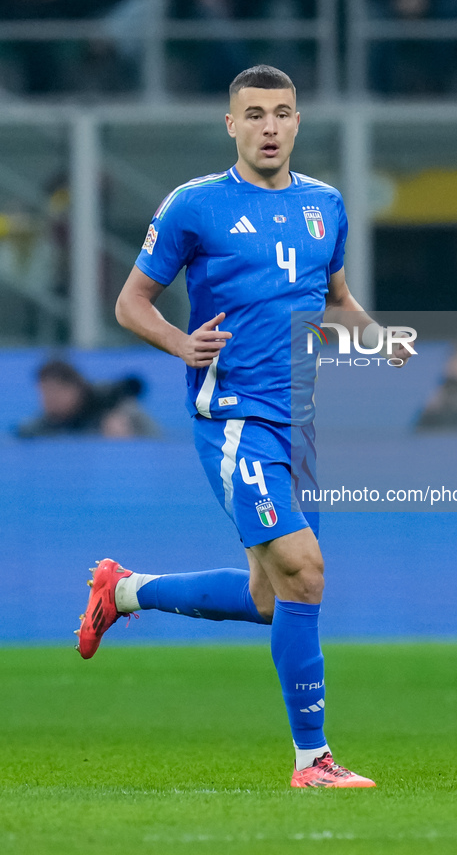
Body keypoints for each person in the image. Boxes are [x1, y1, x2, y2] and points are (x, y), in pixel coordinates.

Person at [75, 65, 412, 788]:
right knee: (306, 571)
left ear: (296, 124)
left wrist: (377, 337)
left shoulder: (324, 205)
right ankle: (312, 761)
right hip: (233, 417)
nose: (268, 126)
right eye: (253, 113)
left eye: (281, 113)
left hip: (299, 426)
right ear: (231, 124)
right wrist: (178, 342)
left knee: (274, 598)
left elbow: (338, 299)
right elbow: (131, 303)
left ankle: (124, 590)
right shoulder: (195, 205)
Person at [17, 359, 159, 439]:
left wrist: (125, 440)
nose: (49, 399)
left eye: (55, 392)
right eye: (44, 393)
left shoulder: (119, 411)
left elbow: (157, 441)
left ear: (75, 389)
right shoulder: (41, 426)